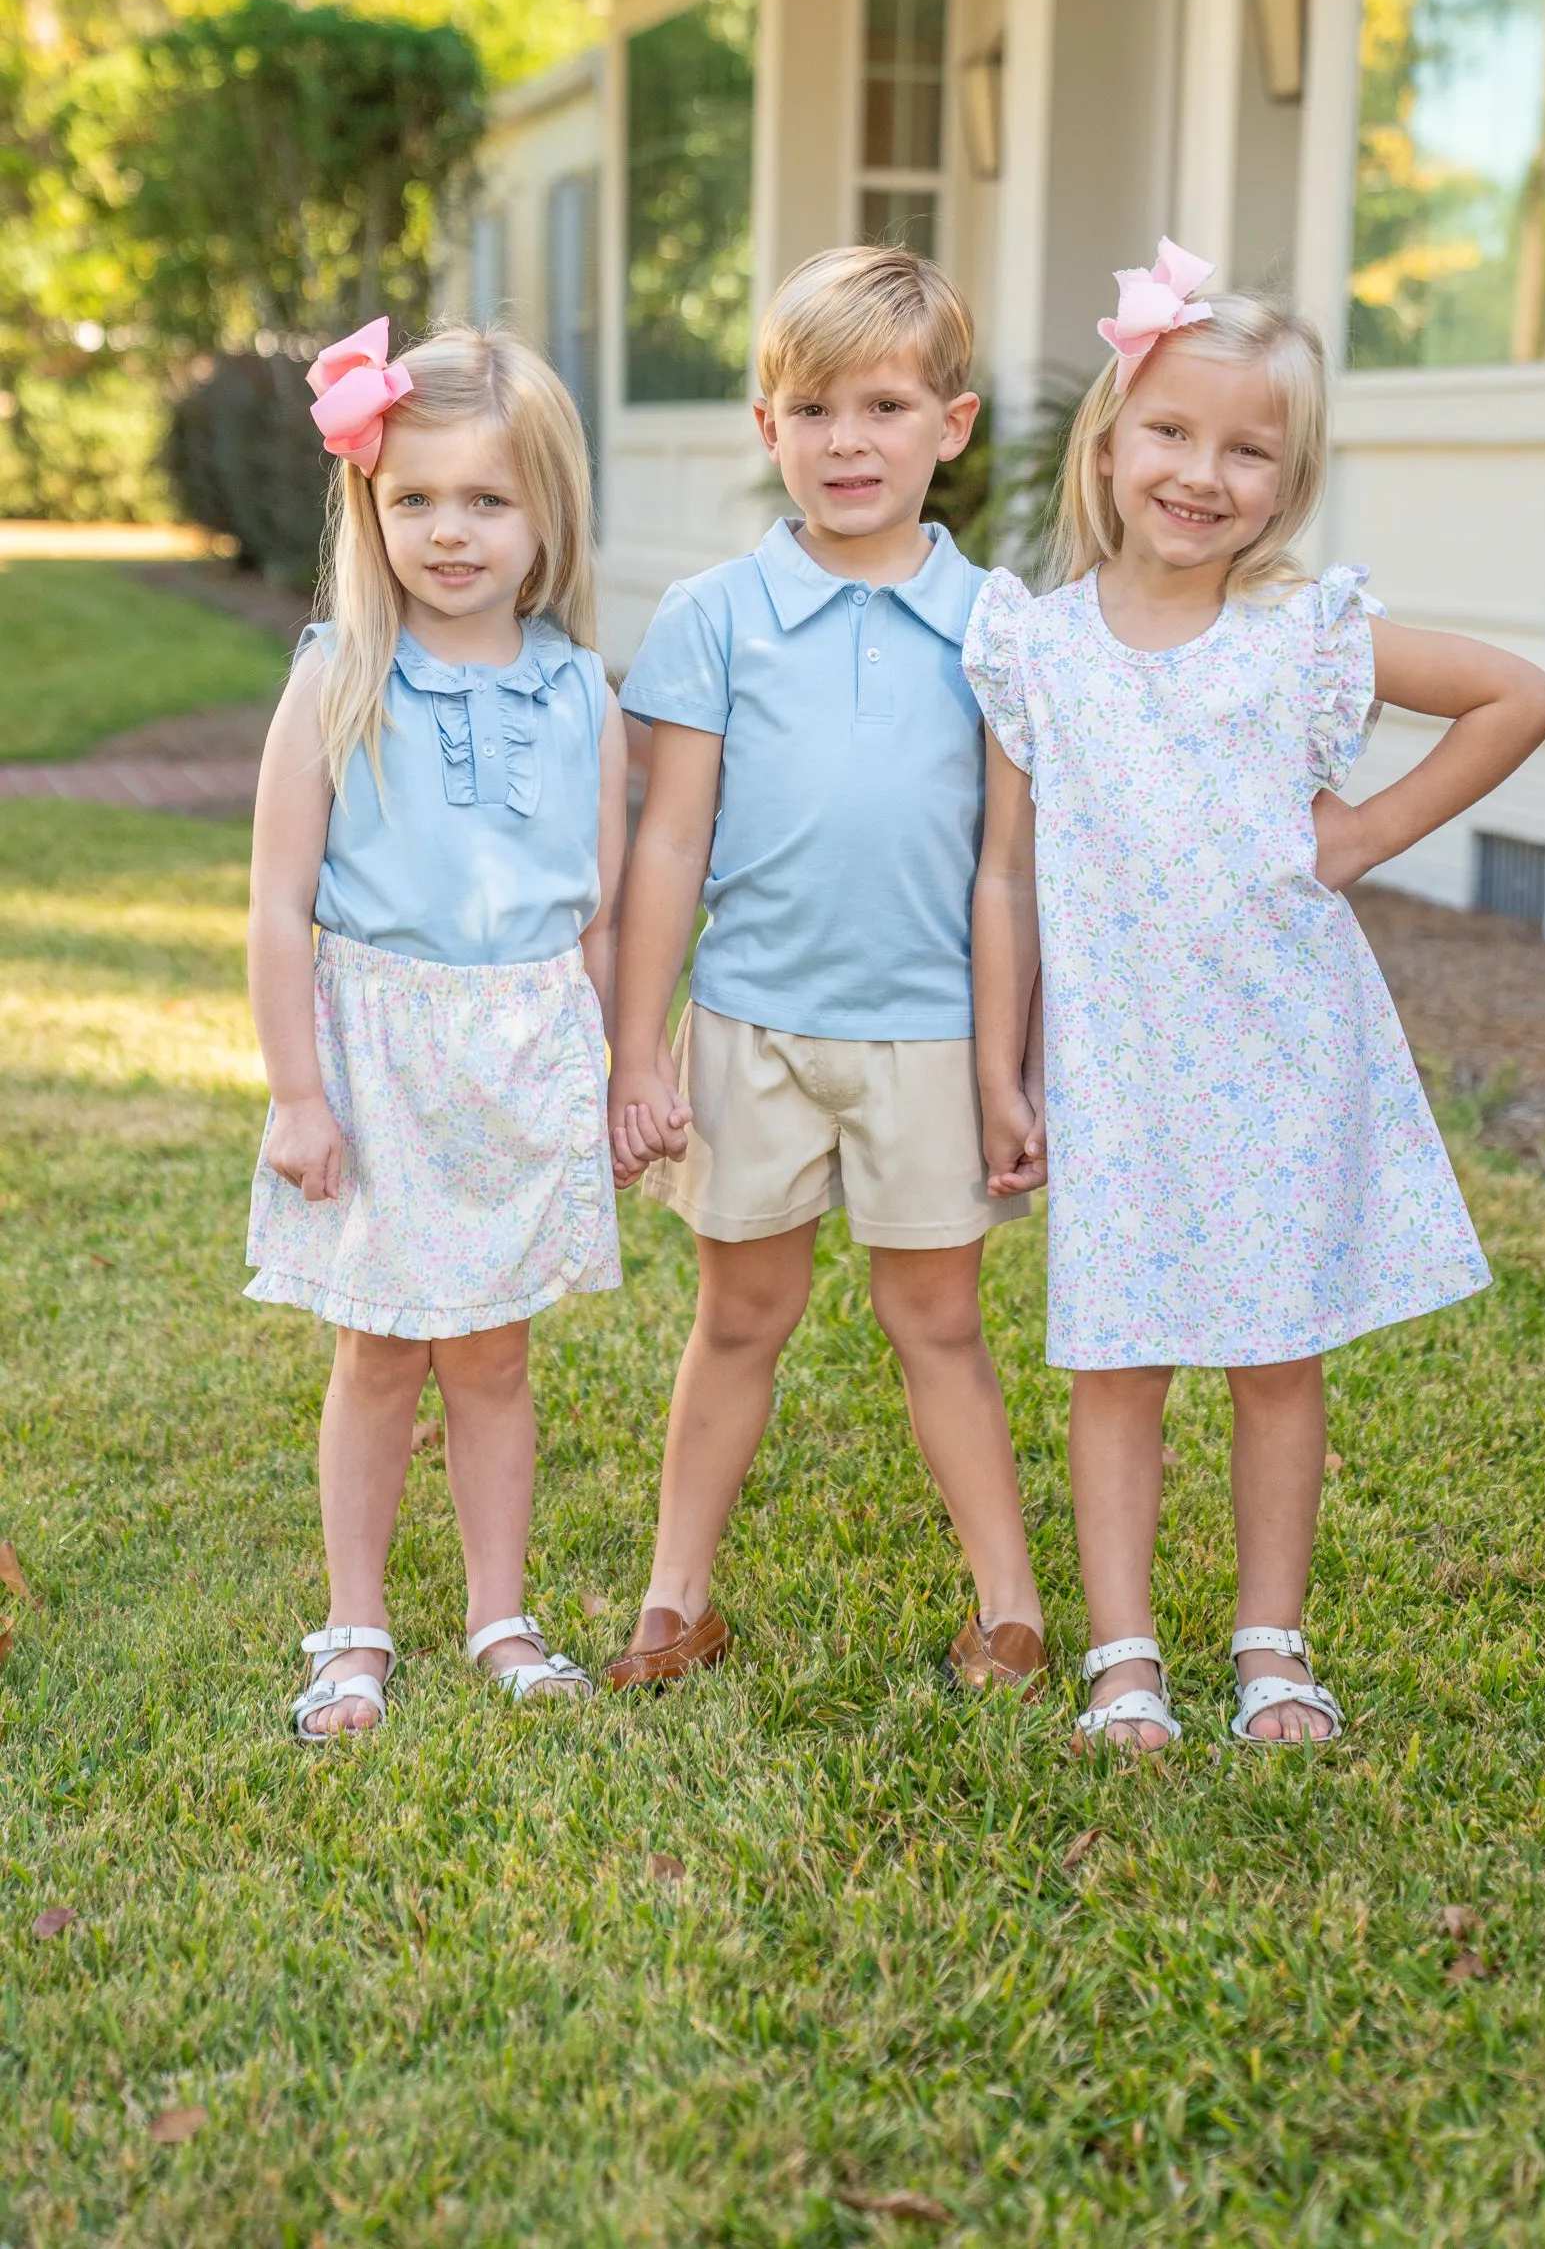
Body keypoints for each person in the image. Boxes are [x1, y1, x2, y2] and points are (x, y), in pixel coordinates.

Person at [966, 241, 1545, 1754]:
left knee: (1272, 1355)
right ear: (1106, 445)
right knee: (1117, 1357)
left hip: (1281, 1053)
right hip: (1115, 1064)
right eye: (1169, 432)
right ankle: (1120, 1654)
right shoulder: (1033, 650)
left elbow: (1515, 695)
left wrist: (1358, 833)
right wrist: (1000, 1071)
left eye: (1249, 450)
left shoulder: (1301, 639)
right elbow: (1006, 878)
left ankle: (1270, 1647)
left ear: (1285, 487)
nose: (1201, 472)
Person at [604, 247, 1047, 1697]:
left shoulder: (1000, 628)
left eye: (885, 406)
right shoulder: (712, 617)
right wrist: (638, 1047)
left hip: (925, 1037)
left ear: (952, 426)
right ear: (766, 427)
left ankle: (1008, 1605)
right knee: (737, 1317)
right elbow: (667, 848)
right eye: (813, 410)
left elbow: (1004, 870)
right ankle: (677, 1600)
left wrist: (1001, 1071)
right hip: (752, 1032)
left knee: (939, 1325)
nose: (847, 441)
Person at [246, 320, 626, 1740]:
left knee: (495, 1352)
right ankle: (353, 1627)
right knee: (378, 1349)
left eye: (486, 500)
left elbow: (591, 910)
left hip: (520, 1054)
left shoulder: (582, 694)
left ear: (546, 515)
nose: (449, 532)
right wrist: (298, 1093)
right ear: (369, 507)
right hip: (375, 1051)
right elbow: (281, 902)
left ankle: (497, 1613)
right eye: (414, 500)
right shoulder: (338, 673)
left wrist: (606, 1070)